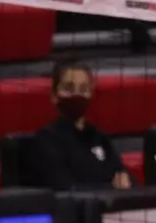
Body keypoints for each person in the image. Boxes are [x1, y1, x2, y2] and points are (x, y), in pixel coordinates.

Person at [26, 59, 133, 191]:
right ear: (54, 95)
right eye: (69, 88)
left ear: (91, 94)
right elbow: (64, 188)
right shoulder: (47, 140)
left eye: (83, 89)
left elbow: (123, 175)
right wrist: (111, 187)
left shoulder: (99, 137)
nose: (77, 95)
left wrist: (126, 182)